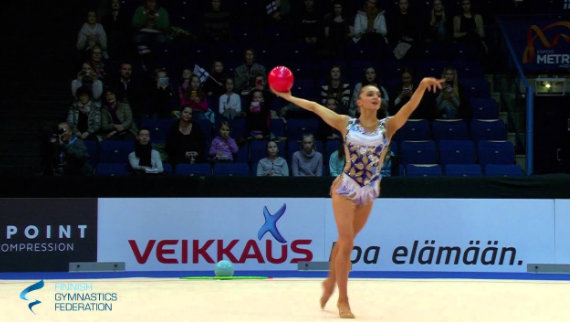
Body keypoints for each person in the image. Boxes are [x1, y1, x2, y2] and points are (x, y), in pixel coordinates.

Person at [271, 76, 443, 318]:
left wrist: (422, 86)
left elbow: (410, 107)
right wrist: (288, 97)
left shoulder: (388, 126)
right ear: (360, 101)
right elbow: (314, 107)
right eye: (370, 94)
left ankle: (331, 280)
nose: (375, 97)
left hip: (369, 191)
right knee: (347, 240)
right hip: (345, 188)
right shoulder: (346, 123)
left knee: (344, 244)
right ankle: (343, 299)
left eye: (378, 95)